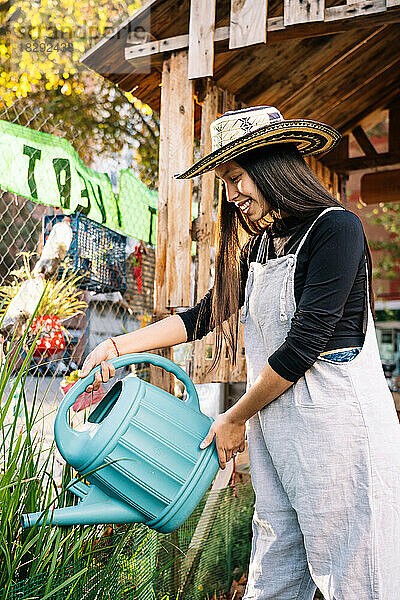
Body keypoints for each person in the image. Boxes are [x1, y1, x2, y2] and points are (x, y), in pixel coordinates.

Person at [79, 106, 400, 600]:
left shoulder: (337, 229)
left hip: (339, 435)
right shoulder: (261, 246)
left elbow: (303, 347)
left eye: (236, 178)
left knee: (356, 576)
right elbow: (204, 315)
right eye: (224, 183)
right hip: (279, 429)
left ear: (271, 163)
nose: (232, 196)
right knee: (274, 570)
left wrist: (233, 418)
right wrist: (118, 345)